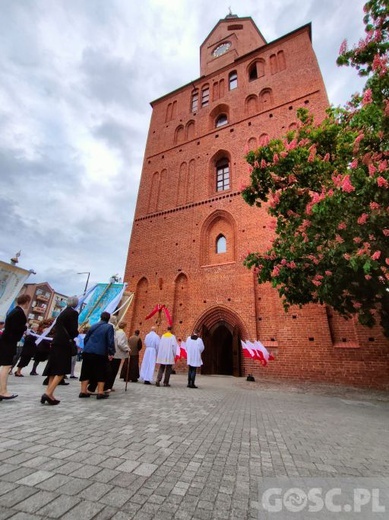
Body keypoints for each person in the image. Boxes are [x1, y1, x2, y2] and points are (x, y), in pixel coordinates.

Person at [41, 296, 79, 405]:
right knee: (61, 370)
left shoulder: (62, 313)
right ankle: (48, 393)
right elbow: (72, 330)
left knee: (53, 368)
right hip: (64, 343)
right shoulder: (73, 313)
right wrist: (76, 333)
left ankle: (50, 393)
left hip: (56, 341)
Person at [0, 294, 31, 400]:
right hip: (9, 342)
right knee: (6, 366)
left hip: (6, 341)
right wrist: (25, 327)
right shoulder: (19, 313)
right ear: (26, 302)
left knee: (5, 366)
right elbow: (15, 328)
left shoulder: (14, 311)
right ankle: (3, 391)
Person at [79, 311, 115, 400]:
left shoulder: (93, 325)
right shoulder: (109, 327)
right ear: (108, 318)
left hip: (88, 351)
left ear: (101, 317)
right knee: (100, 371)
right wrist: (111, 352)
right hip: (100, 352)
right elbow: (110, 341)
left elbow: (86, 338)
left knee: (85, 370)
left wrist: (87, 347)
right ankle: (100, 392)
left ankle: (83, 391)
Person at [105, 321, 129, 391]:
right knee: (114, 371)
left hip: (113, 353)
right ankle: (109, 386)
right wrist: (127, 348)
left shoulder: (116, 332)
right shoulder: (122, 333)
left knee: (111, 370)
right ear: (125, 326)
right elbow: (120, 343)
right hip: (117, 354)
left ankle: (108, 385)